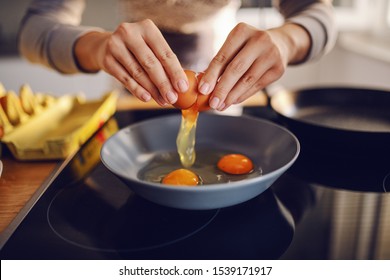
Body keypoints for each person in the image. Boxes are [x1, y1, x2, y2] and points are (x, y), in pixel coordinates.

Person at [18, 0, 336, 111]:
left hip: (228, 89)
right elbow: (34, 31)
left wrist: (285, 42)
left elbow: (318, 14)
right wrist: (98, 47)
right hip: (134, 92)